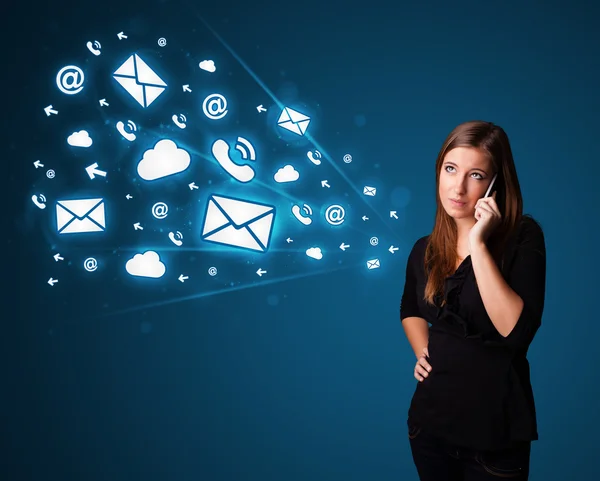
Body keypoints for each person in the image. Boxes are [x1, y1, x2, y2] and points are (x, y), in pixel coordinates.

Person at [400, 120, 546, 481]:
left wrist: (479, 243)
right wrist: (422, 352)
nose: (459, 187)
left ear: (496, 183)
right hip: (429, 426)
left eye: (476, 174)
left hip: (493, 435)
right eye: (451, 169)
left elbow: (515, 331)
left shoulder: (523, 238)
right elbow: (410, 308)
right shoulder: (425, 248)